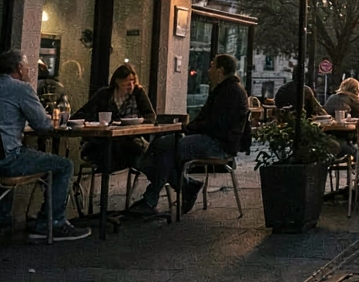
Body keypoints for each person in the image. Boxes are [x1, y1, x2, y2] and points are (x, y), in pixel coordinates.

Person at [0, 49, 91, 241]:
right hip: (4, 161)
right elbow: (42, 125)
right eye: (26, 67)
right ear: (18, 68)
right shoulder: (21, 89)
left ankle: (1, 217)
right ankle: (52, 222)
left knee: (14, 150)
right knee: (64, 165)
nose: (28, 71)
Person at [128, 54, 249, 217]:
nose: (209, 70)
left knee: (164, 146)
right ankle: (181, 188)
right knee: (164, 149)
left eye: (212, 66)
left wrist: (187, 128)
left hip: (217, 144)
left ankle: (159, 195)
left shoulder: (229, 92)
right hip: (218, 141)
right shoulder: (228, 90)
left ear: (220, 70)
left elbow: (215, 124)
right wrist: (188, 129)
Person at [75, 63, 156, 173]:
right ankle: (106, 176)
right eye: (127, 81)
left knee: (130, 148)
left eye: (133, 81)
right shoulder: (105, 94)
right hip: (104, 139)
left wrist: (138, 122)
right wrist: (93, 122)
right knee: (103, 149)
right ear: (118, 81)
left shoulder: (138, 93)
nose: (131, 85)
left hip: (129, 138)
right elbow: (83, 113)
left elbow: (150, 116)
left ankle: (109, 174)